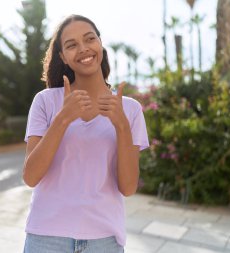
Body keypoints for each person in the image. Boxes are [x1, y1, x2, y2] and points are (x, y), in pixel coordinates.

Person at [23, 14, 149, 253]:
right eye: (71, 45)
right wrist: (63, 118)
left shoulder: (130, 110)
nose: (83, 49)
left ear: (100, 44)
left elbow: (128, 187)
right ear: (63, 57)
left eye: (89, 39)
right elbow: (30, 177)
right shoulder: (46, 101)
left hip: (104, 241)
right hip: (46, 238)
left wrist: (121, 127)